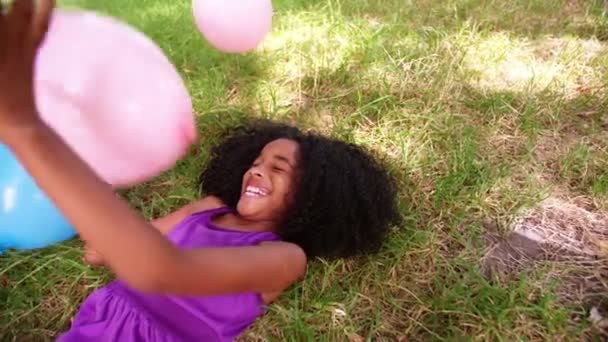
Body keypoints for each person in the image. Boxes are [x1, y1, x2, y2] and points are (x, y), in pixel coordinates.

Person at [0, 1, 401, 341]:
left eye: (278, 167)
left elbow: (161, 272)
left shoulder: (284, 257)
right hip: (101, 322)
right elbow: (99, 252)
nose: (255, 172)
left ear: (316, 194)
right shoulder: (206, 209)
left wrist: (26, 130)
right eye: (257, 161)